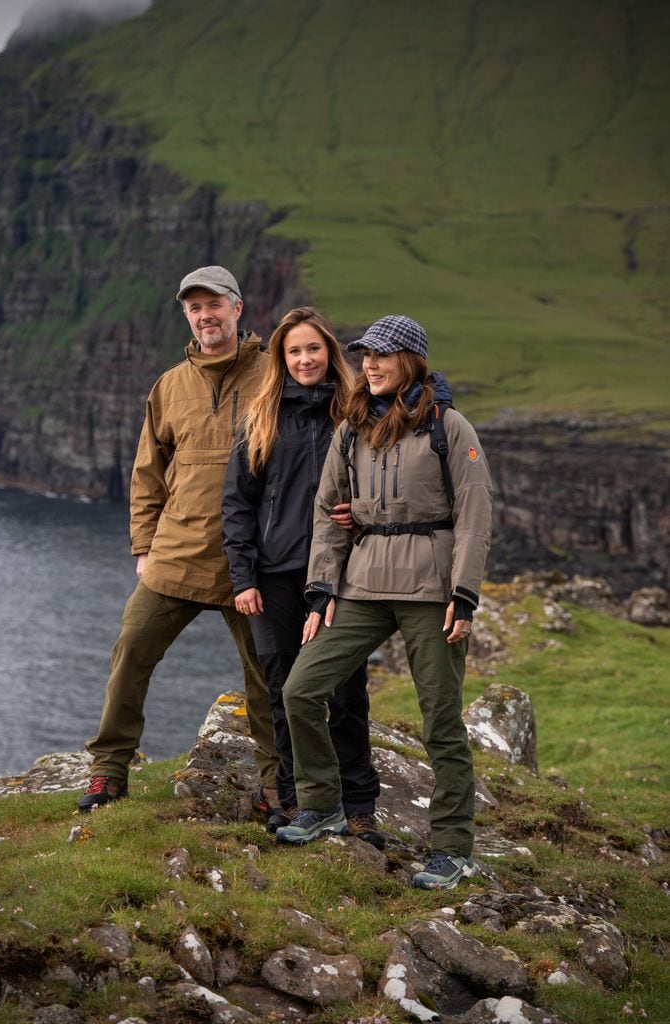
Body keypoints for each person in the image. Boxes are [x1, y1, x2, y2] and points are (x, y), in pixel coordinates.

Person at [276, 314, 493, 890]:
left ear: (411, 362)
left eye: (383, 356)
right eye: (365, 356)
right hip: (363, 584)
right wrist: (321, 591)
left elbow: (475, 518)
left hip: (431, 591)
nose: (369, 365)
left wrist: (464, 595)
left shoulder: (451, 427)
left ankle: (452, 848)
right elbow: (328, 512)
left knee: (441, 720)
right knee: (301, 689)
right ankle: (322, 805)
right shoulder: (351, 428)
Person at [77, 266, 278, 812]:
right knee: (131, 653)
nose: (205, 315)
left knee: (266, 676)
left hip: (251, 562)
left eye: (214, 303)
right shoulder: (170, 385)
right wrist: (144, 549)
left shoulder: (275, 375)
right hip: (175, 554)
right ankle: (108, 772)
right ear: (186, 316)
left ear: (238, 308)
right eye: (194, 307)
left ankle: (276, 787)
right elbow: (147, 473)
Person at [221, 307, 382, 844]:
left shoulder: (358, 414)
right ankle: (296, 803)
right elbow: (236, 504)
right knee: (283, 690)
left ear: (329, 353)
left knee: (344, 692)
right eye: (294, 351)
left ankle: (359, 806)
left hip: (345, 575)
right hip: (274, 576)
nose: (305, 359)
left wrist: (362, 511)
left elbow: (390, 488)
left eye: (313, 348)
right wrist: (243, 577)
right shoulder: (261, 416)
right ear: (281, 359)